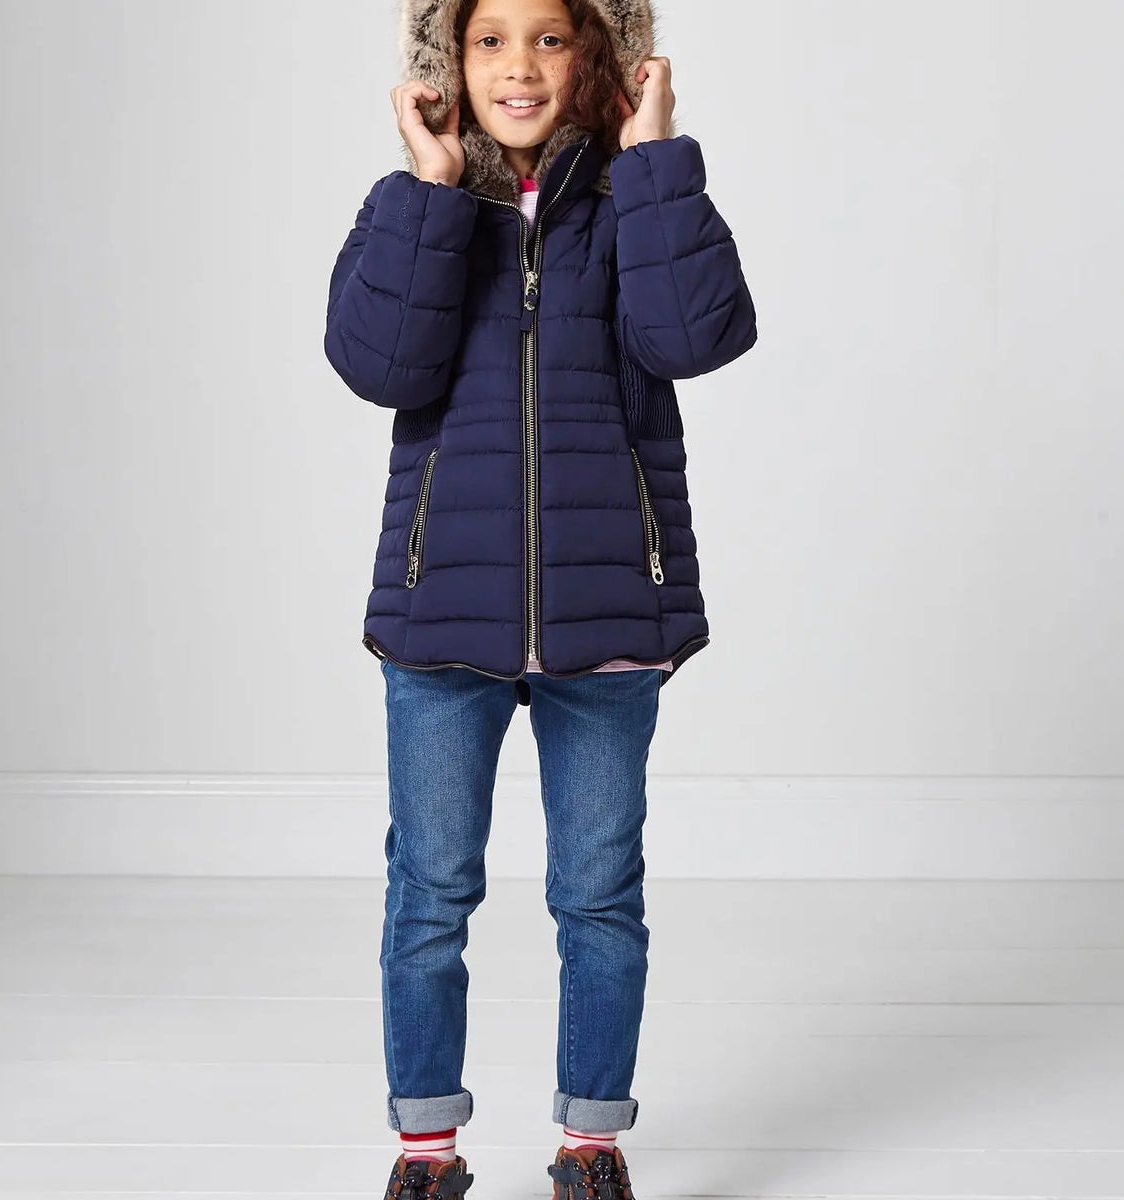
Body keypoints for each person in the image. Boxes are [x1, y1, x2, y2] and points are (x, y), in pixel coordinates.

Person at [323, 0, 757, 1194]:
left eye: (551, 38)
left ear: (599, 56)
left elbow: (696, 338)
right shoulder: (412, 207)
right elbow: (377, 365)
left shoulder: (634, 204)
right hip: (440, 621)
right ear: (448, 62)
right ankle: (427, 1152)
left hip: (610, 616)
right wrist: (429, 188)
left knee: (599, 897)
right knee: (428, 895)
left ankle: (590, 1146)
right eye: (489, 40)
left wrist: (653, 159)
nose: (520, 65)